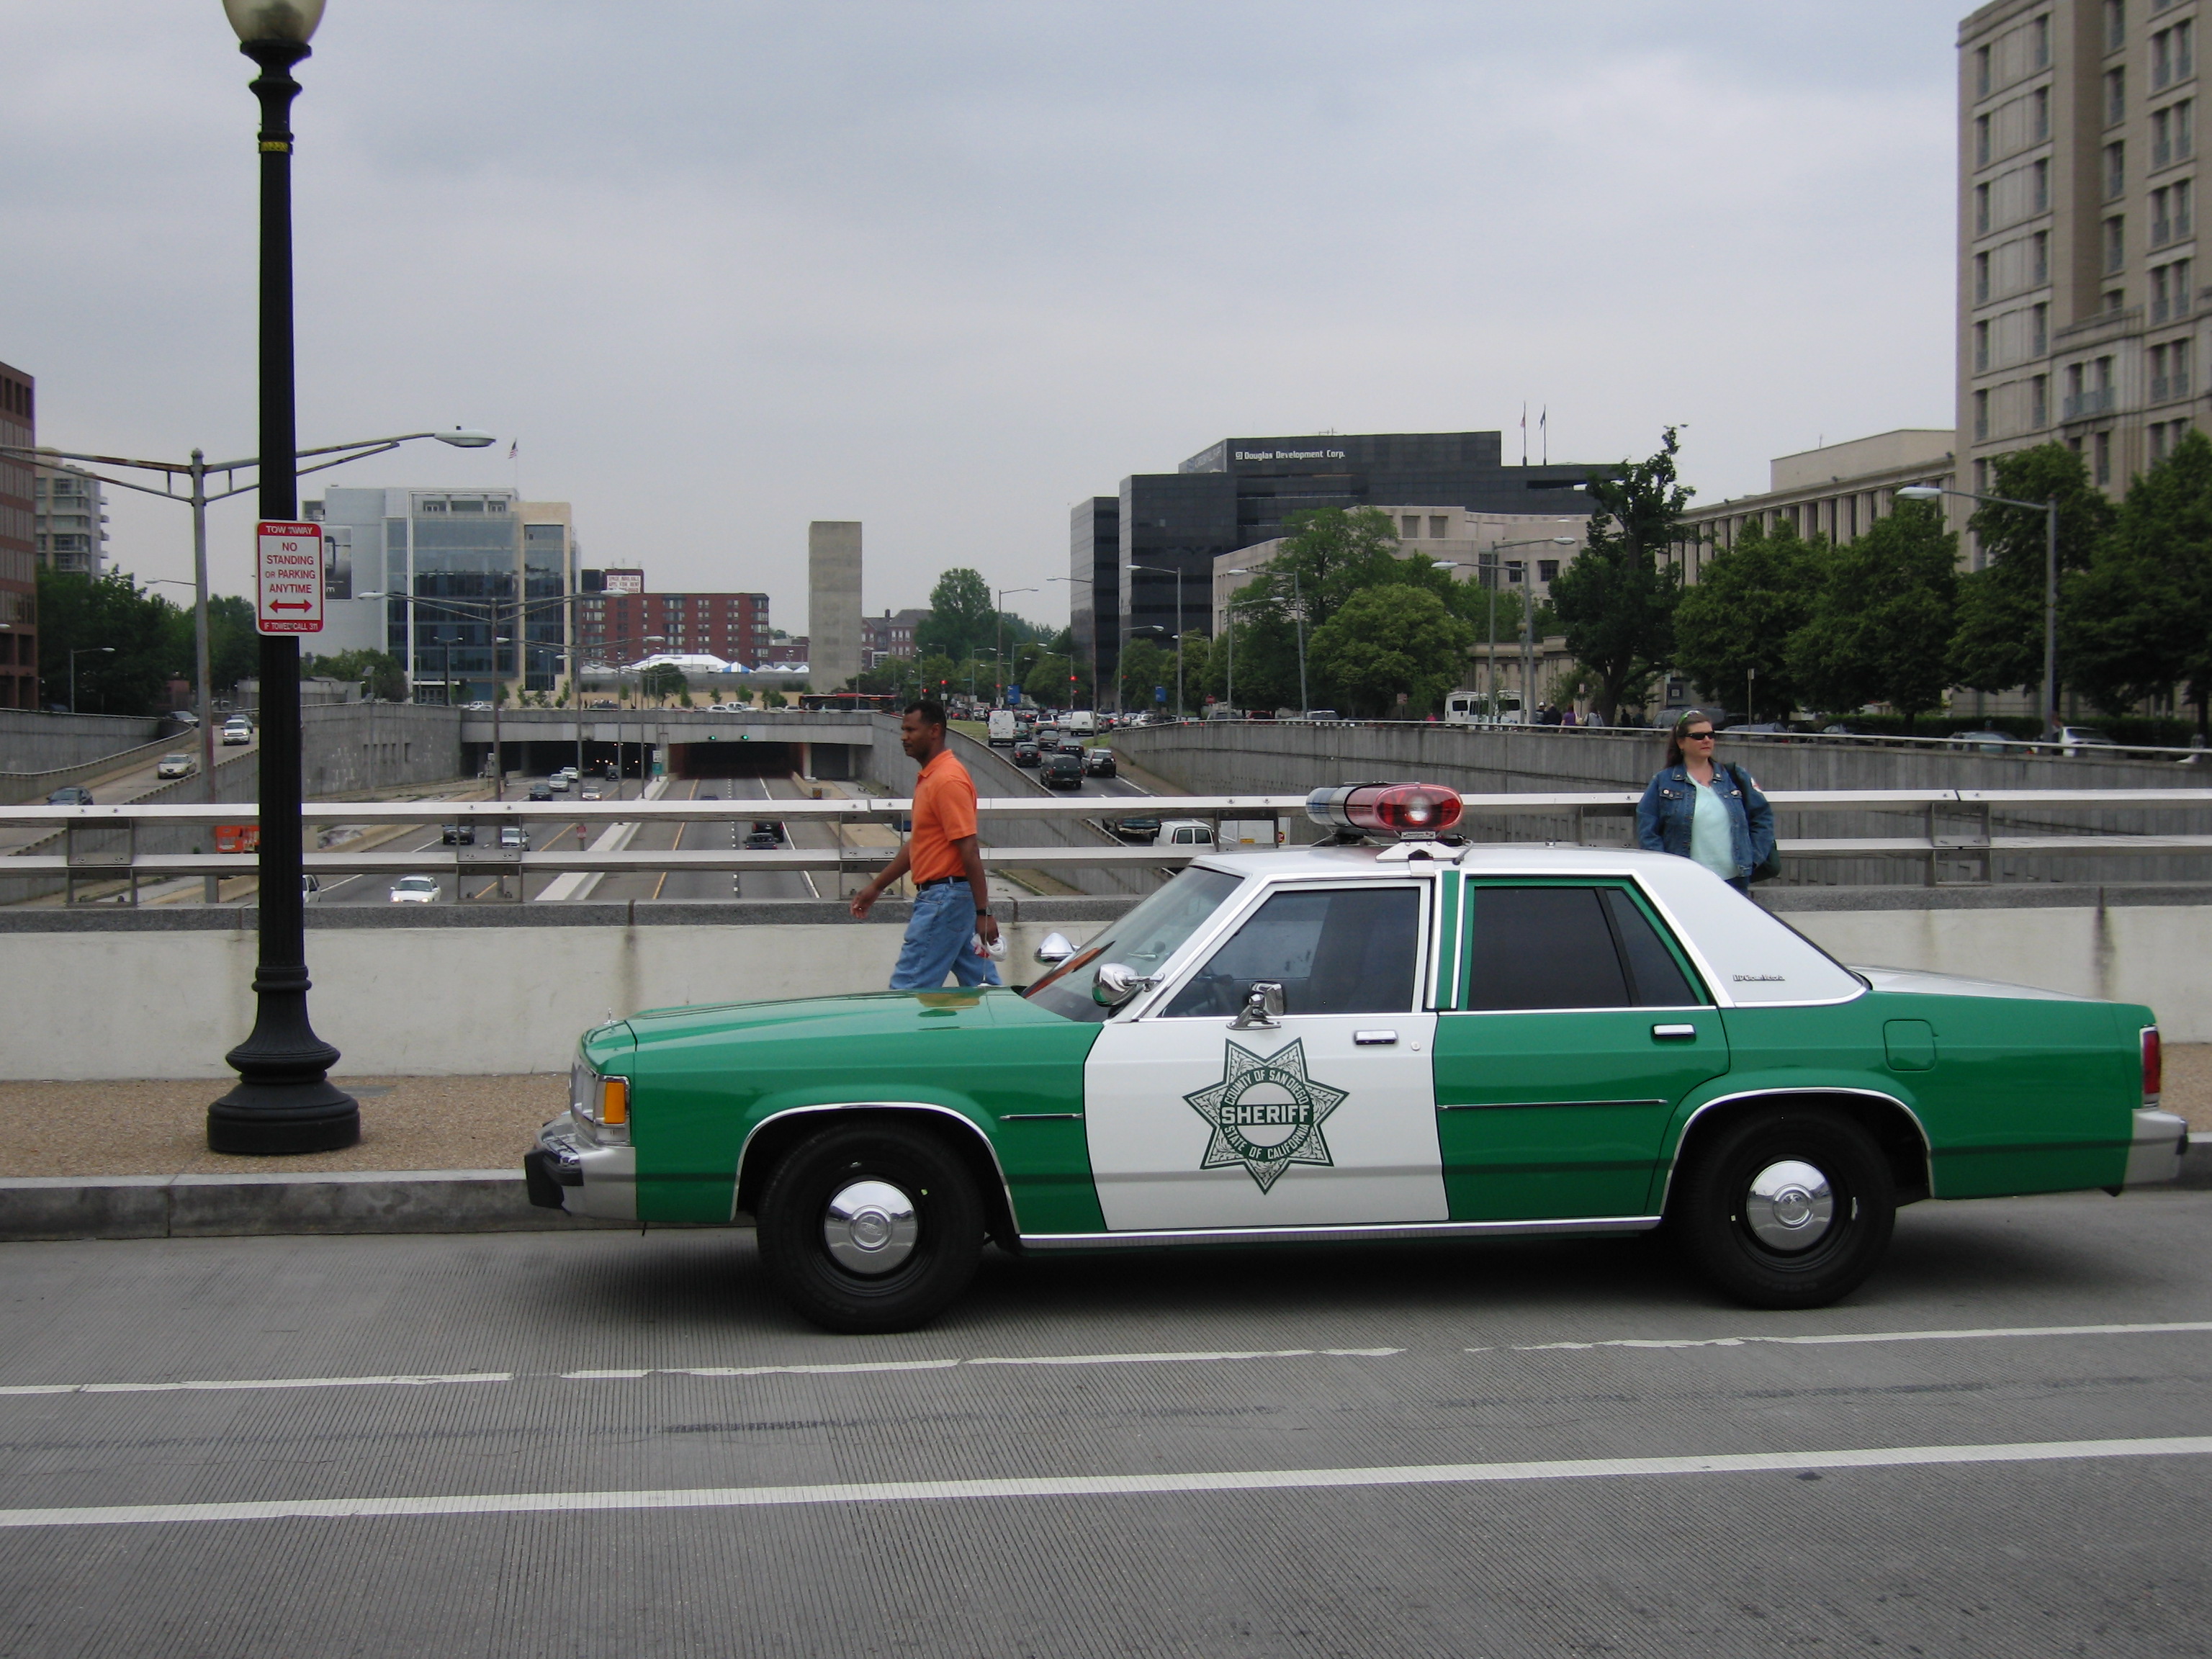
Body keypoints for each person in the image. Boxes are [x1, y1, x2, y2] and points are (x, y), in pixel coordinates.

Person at [850, 699, 1002, 989]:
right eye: (903, 730)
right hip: (950, 899)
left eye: (911, 730)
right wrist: (877, 887)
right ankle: (1010, 1020)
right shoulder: (932, 777)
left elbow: (969, 848)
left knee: (908, 990)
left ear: (934, 731)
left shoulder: (947, 780)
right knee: (984, 991)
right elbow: (919, 844)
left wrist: (984, 913)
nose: (903, 737)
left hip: (945, 899)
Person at [1635, 709, 1775, 893]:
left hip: (1734, 880)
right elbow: (1647, 829)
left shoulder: (1734, 776)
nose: (1707, 740)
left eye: (1711, 735)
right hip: (1684, 881)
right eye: (1698, 736)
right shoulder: (1664, 781)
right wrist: (1666, 866)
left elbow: (1763, 817)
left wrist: (1753, 858)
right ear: (1681, 743)